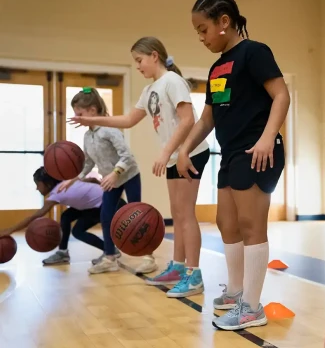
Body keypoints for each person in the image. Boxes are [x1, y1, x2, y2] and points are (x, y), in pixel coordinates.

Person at [176, 0, 290, 330]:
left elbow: (281, 95)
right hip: (231, 154)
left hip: (257, 151)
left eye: (203, 29)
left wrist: (268, 136)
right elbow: (206, 119)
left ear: (224, 21)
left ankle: (253, 308)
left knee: (252, 226)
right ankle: (239, 292)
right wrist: (184, 148)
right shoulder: (216, 68)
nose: (200, 37)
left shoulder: (255, 52)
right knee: (228, 223)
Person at [67, 37, 210, 298]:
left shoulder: (173, 82)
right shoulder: (149, 91)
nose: (138, 66)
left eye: (139, 60)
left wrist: (168, 151)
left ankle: (194, 275)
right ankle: (178, 268)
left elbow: (188, 120)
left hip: (191, 153)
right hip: (174, 156)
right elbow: (129, 120)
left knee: (186, 214)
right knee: (177, 215)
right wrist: (92, 118)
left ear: (154, 56)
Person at [62, 87, 157, 275]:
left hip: (128, 175)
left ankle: (149, 258)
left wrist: (115, 173)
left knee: (137, 218)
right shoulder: (87, 136)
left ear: (92, 111)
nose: (77, 117)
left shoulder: (109, 130)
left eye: (79, 113)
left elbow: (127, 156)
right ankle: (110, 257)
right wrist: (73, 179)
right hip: (111, 180)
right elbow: (88, 163)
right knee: (106, 216)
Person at [0, 167, 120, 265]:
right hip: (103, 200)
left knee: (78, 231)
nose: (37, 188)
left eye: (38, 184)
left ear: (47, 183)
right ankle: (62, 253)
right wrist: (99, 187)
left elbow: (35, 216)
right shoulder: (65, 183)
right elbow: (93, 179)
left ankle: (110, 250)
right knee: (66, 216)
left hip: (105, 204)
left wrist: (10, 230)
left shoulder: (57, 193)